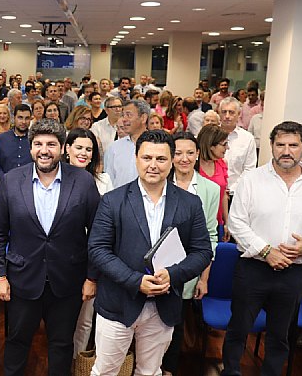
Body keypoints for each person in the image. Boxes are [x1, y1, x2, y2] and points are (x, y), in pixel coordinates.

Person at [88, 130, 212, 376]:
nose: (153, 165)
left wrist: (173, 274)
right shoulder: (113, 200)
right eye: (147, 158)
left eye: (161, 159)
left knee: (150, 371)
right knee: (105, 372)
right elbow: (97, 249)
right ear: (136, 158)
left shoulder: (190, 203)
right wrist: (135, 281)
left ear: (172, 161)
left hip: (163, 305)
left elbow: (202, 252)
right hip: (118, 303)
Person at [0, 118, 101, 376]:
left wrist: (91, 276)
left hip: (68, 280)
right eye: (38, 144)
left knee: (61, 345)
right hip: (22, 279)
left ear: (62, 148)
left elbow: (97, 232)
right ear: (30, 149)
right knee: (17, 342)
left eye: (51, 144)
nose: (44, 150)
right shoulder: (11, 181)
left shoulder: (82, 181)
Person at [222, 121, 302, 376]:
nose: (286, 151)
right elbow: (236, 222)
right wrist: (266, 251)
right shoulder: (252, 179)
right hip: (253, 269)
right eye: (280, 144)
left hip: (294, 273)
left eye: (293, 145)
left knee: (280, 337)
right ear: (271, 146)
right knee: (238, 330)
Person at [161, 131, 220, 375]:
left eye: (189, 153)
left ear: (197, 155)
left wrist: (204, 278)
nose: (183, 158)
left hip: (189, 268)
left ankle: (168, 370)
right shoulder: (159, 181)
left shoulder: (210, 189)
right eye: (177, 153)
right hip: (157, 267)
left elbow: (210, 236)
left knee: (176, 323)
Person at [64, 129, 114, 358]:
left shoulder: (104, 181)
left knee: (85, 318)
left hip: (91, 259)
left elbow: (110, 223)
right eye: (79, 147)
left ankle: (77, 363)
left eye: (89, 149)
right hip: (63, 259)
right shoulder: (54, 177)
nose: (83, 153)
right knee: (62, 319)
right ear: (67, 149)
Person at [104, 100, 150, 189]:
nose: (124, 119)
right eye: (123, 115)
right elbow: (108, 181)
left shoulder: (156, 146)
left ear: (143, 118)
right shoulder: (114, 148)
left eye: (128, 115)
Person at [218, 97, 257, 199]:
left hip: (236, 194)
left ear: (239, 114)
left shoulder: (247, 139)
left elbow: (249, 169)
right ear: (219, 113)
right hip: (211, 192)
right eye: (224, 112)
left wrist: (232, 189)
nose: (227, 116)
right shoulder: (209, 136)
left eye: (231, 112)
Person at [197, 124, 230, 241]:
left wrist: (227, 222)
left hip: (216, 223)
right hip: (197, 224)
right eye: (224, 144)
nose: (228, 148)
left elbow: (223, 196)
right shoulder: (193, 166)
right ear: (211, 145)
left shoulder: (221, 164)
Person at [0, 104, 33, 183]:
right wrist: (4, 179)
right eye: (20, 118)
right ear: (14, 118)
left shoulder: (35, 140)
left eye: (27, 118)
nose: (23, 122)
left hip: (30, 184)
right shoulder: (1, 139)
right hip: (5, 184)